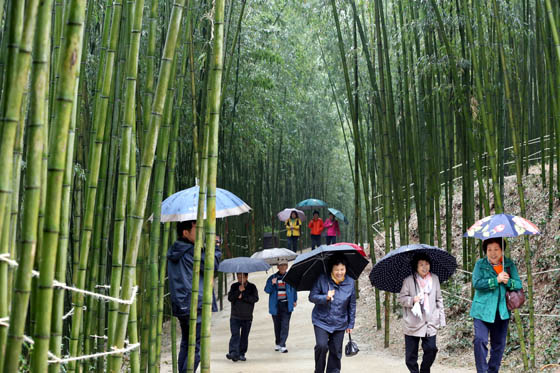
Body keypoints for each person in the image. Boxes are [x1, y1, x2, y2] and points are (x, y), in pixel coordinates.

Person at [167, 220, 221, 373]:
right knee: (196, 347)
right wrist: (216, 247)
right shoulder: (192, 251)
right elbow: (213, 264)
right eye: (197, 229)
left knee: (186, 343)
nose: (201, 233)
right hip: (194, 304)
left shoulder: (175, 250)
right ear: (185, 232)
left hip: (181, 304)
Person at [470, 238, 522, 373]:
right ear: (485, 251)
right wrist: (495, 280)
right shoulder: (480, 264)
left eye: (496, 249)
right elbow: (476, 283)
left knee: (498, 345)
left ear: (502, 250)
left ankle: (493, 370)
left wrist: (508, 281)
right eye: (489, 250)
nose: (493, 253)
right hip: (482, 311)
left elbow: (518, 284)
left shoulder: (509, 264)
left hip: (501, 311)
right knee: (480, 340)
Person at [398, 253, 446, 373]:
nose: (424, 267)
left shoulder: (434, 278)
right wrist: (412, 300)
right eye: (421, 265)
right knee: (410, 357)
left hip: (430, 321)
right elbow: (401, 299)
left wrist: (441, 318)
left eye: (427, 264)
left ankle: (424, 370)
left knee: (431, 349)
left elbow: (438, 298)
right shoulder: (409, 281)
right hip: (413, 323)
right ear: (416, 267)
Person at [309, 255, 356, 373]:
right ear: (331, 269)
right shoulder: (322, 279)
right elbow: (312, 297)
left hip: (340, 322)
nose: (339, 272)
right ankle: (318, 370)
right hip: (321, 320)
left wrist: (350, 324)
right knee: (322, 346)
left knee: (335, 351)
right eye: (336, 270)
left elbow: (352, 305)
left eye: (342, 269)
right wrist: (325, 297)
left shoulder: (350, 282)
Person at [264, 261, 298, 353]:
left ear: (287, 266)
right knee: (277, 325)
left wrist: (294, 300)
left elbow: (294, 289)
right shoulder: (272, 278)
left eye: (284, 265)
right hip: (276, 305)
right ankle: (278, 343)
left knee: (285, 325)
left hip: (286, 304)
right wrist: (272, 283)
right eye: (281, 265)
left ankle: (283, 344)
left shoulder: (290, 277)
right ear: (277, 267)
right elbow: (267, 290)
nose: (283, 267)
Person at [226, 273, 259, 362]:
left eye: (242, 277)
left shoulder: (252, 287)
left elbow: (255, 299)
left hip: (247, 316)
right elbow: (230, 298)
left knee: (244, 336)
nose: (240, 279)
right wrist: (238, 292)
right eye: (239, 277)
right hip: (235, 315)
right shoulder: (234, 286)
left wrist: (243, 295)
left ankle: (241, 353)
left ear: (246, 277)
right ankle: (233, 352)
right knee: (235, 334)